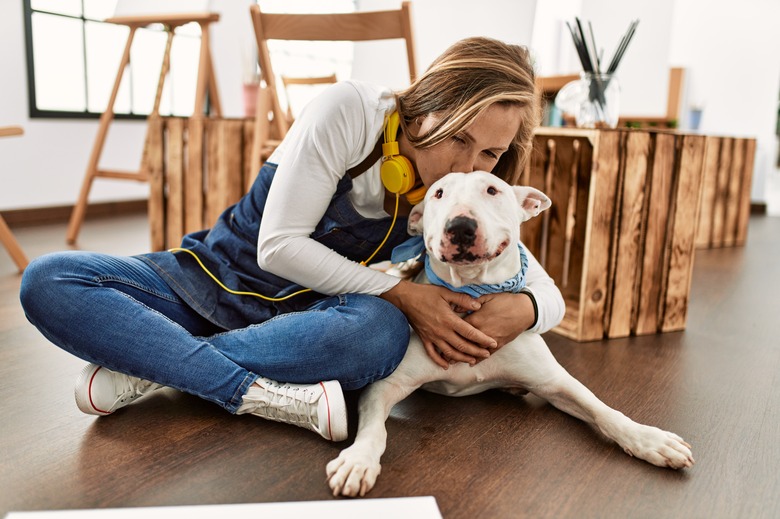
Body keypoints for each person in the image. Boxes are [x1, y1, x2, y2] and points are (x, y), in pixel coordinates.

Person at [20, 36, 564, 442]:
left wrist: (525, 308)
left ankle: (154, 366)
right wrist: (400, 293)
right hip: (209, 282)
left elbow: (541, 287)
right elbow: (276, 246)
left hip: (308, 323)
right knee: (49, 279)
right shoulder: (352, 110)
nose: (467, 164)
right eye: (459, 137)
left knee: (379, 337)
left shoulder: (458, 201)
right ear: (426, 104)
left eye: (489, 155)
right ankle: (252, 390)